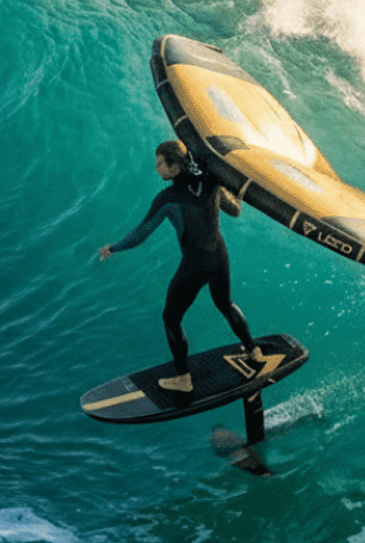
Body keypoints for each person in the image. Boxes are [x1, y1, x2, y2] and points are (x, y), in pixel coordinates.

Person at [99, 140, 262, 393]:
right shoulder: (211, 180)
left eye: (160, 163)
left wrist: (113, 247)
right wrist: (234, 188)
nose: (156, 168)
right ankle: (254, 351)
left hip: (195, 264)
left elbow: (142, 233)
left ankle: (183, 379)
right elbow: (235, 211)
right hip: (219, 256)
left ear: (174, 165)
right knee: (225, 304)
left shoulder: (167, 198)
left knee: (171, 317)